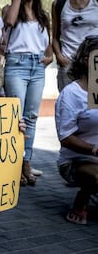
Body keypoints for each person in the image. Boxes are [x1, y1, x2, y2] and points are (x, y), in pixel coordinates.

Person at [2, 0, 53, 186]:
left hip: (37, 66)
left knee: (31, 116)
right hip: (16, 65)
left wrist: (49, 56)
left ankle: (26, 161)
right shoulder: (9, 8)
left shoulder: (43, 15)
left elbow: (48, 40)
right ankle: (14, 165)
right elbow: (10, 21)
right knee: (17, 117)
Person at [55, 35, 98, 225]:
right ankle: (81, 200)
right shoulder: (72, 94)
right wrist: (94, 150)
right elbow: (65, 137)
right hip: (77, 160)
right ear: (89, 59)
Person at [52, 0, 98, 92]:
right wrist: (60, 57)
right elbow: (55, 37)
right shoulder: (59, 4)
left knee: (94, 111)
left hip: (94, 64)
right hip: (68, 65)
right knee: (69, 107)